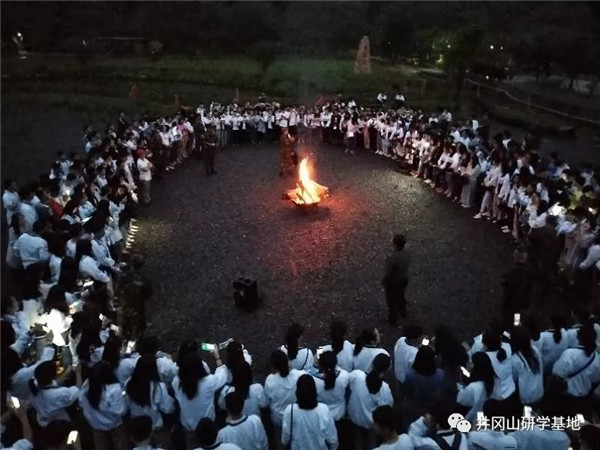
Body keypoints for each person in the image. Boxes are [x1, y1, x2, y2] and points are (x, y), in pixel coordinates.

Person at [172, 350, 228, 449]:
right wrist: (217, 356)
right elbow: (222, 376)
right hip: (209, 429)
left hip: (189, 431)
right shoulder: (209, 382)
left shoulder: (176, 383)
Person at [78, 361, 129, 450]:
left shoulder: (87, 385)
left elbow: (81, 402)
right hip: (115, 425)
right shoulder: (114, 389)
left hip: (96, 425)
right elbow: (120, 411)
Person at [125, 355, 176, 443]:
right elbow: (168, 408)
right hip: (155, 429)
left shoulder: (128, 384)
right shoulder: (158, 386)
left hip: (137, 431)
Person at [347, 353, 393, 450]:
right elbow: (388, 406)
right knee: (371, 443)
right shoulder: (384, 388)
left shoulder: (357, 376)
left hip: (355, 417)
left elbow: (346, 380)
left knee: (357, 440)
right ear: (387, 369)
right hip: (372, 424)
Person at [281, 374, 338, 450]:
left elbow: (285, 438)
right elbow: (332, 438)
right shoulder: (323, 409)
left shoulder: (290, 410)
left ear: (297, 392)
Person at [264, 350, 304, 445]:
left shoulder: (270, 381)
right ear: (288, 361)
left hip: (279, 418)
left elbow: (267, 400)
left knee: (281, 441)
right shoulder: (299, 375)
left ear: (274, 366)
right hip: (296, 416)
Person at [28, 360, 81, 427]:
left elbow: (52, 384)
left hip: (42, 422)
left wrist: (65, 374)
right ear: (53, 376)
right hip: (59, 425)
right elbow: (78, 390)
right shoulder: (59, 394)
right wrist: (78, 373)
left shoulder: (33, 385)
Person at [456, 352, 494, 423]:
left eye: (471, 363)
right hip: (483, 418)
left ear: (476, 366)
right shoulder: (493, 381)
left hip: (469, 421)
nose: (469, 365)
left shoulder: (472, 388)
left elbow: (460, 402)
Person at [510, 326, 544, 405]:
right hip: (539, 393)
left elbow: (513, 380)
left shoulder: (515, 360)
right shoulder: (535, 350)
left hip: (527, 400)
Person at [382, 233, 410, 323]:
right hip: (404, 279)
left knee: (391, 300)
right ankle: (403, 311)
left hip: (393, 282)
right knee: (401, 296)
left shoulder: (393, 258)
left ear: (394, 244)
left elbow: (389, 271)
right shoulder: (406, 254)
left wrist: (384, 280)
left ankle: (393, 318)